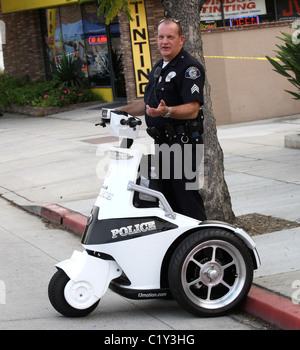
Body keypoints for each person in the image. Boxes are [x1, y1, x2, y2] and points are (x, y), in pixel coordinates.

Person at [119, 18, 207, 221]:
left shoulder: (190, 68)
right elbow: (148, 105)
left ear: (181, 39)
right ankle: (181, 249)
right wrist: (119, 111)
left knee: (187, 203)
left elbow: (192, 109)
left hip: (184, 146)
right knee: (169, 203)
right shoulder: (159, 67)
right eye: (160, 37)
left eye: (170, 37)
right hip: (164, 144)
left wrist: (166, 112)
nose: (164, 41)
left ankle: (203, 248)